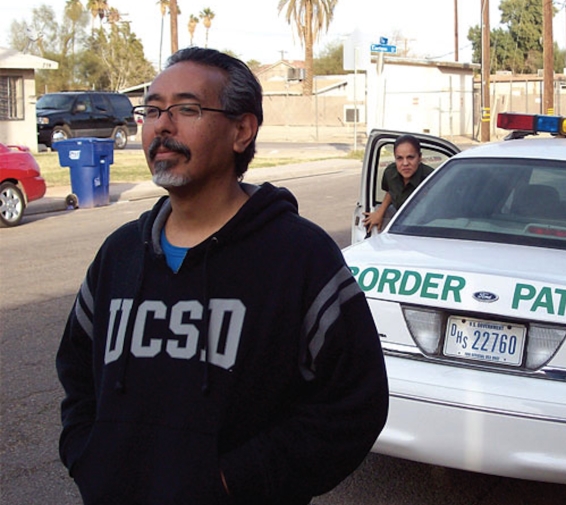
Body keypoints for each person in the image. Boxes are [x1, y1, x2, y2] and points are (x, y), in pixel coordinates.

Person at [56, 47, 389, 505]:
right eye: (152, 110)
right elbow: (76, 371)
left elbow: (354, 403)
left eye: (186, 109)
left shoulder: (300, 257)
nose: (162, 125)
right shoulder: (120, 255)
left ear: (242, 130)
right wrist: (88, 456)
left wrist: (236, 480)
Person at [362, 134, 434, 232]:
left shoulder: (432, 178)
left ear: (420, 157)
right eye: (399, 158)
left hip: (424, 229)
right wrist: (379, 213)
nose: (405, 163)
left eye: (410, 157)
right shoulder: (390, 173)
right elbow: (391, 191)